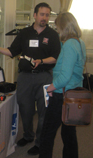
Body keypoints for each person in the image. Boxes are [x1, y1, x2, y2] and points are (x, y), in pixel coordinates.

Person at [0, 2, 61, 155]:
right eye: (42, 14)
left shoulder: (52, 35)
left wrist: (42, 61)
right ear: (35, 15)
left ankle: (40, 142)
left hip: (44, 78)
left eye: (47, 15)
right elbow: (12, 51)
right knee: (26, 109)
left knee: (44, 112)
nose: (44, 18)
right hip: (24, 78)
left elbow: (56, 58)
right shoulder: (24, 33)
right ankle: (28, 135)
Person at [39, 12, 86, 158]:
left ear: (64, 27)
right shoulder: (79, 42)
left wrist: (52, 88)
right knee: (69, 134)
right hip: (72, 94)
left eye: (58, 27)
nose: (57, 30)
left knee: (47, 134)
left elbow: (65, 76)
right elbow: (75, 73)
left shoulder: (70, 45)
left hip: (62, 96)